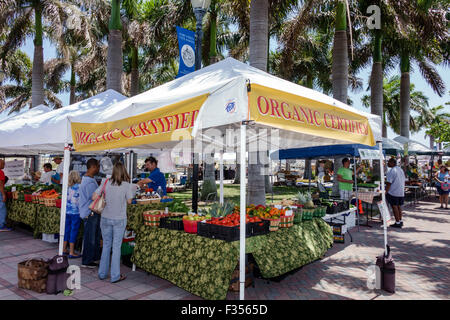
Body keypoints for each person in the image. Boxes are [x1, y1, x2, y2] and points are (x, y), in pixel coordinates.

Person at [93, 162, 133, 283]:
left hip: (105, 217)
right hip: (119, 219)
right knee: (116, 247)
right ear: (123, 171)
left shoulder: (106, 182)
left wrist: (105, 197)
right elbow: (130, 201)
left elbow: (94, 196)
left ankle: (102, 273)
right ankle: (115, 276)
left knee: (106, 245)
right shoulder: (126, 185)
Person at [79, 158, 101, 268]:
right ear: (92, 167)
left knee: (93, 237)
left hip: (90, 212)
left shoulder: (88, 179)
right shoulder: (88, 182)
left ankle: (93, 257)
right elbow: (94, 197)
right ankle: (87, 260)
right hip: (90, 213)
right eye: (98, 166)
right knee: (90, 238)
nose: (99, 168)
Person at [63, 171, 82, 258]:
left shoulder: (66, 186)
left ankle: (63, 249)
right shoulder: (79, 186)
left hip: (66, 211)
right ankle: (71, 252)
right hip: (76, 212)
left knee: (66, 230)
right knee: (73, 231)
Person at [386, 158, 406, 228]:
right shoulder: (400, 169)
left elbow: (389, 183)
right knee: (398, 206)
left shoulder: (391, 171)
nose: (387, 163)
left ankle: (397, 222)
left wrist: (385, 192)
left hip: (393, 191)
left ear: (392, 163)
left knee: (394, 206)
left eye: (388, 162)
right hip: (400, 191)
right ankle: (400, 221)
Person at [0, 159, 12, 232]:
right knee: (2, 209)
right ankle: (1, 226)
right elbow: (0, 184)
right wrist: (3, 194)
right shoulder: (0, 172)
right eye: (3, 164)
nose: (4, 165)